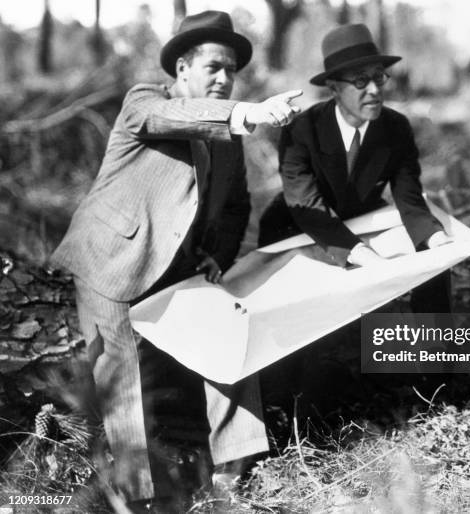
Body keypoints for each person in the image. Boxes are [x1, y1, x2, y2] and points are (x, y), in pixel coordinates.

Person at [50, 10, 301, 511]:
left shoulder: (226, 140)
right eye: (213, 67)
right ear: (182, 68)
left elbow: (235, 207)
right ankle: (139, 497)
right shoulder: (144, 102)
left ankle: (237, 475)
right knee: (123, 379)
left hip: (181, 269)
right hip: (112, 260)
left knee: (230, 335)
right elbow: (170, 119)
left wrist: (216, 257)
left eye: (231, 70)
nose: (225, 79)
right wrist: (245, 115)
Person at [258, 23, 470, 312]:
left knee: (431, 251)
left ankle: (433, 346)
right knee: (295, 314)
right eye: (360, 81)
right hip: (298, 227)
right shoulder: (302, 129)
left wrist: (440, 242)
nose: (374, 90)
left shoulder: (396, 127)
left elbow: (410, 199)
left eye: (379, 77)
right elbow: (306, 204)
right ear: (334, 88)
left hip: (363, 218)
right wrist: (365, 256)